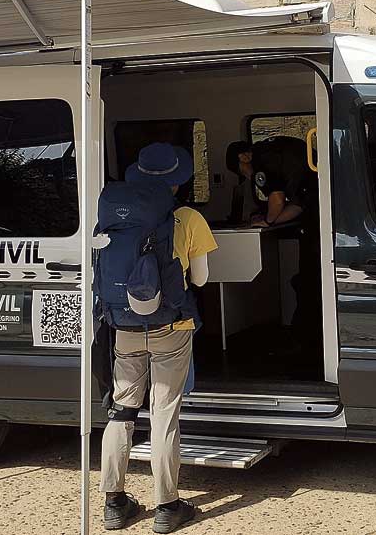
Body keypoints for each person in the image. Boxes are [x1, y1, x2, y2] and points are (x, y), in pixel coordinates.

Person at [101, 142, 217, 534]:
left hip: (124, 325)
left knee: (122, 411)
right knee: (164, 415)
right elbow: (199, 279)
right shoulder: (187, 218)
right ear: (178, 180)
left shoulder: (118, 217)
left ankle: (114, 503)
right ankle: (168, 507)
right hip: (171, 327)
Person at [229, 136, 321, 352]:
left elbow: (277, 200)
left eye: (241, 170)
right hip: (317, 212)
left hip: (314, 217)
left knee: (308, 279)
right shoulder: (280, 155)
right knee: (310, 277)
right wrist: (269, 220)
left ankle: (305, 337)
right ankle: (308, 336)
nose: (247, 176)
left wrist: (268, 220)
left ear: (244, 157)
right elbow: (298, 206)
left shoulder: (263, 161)